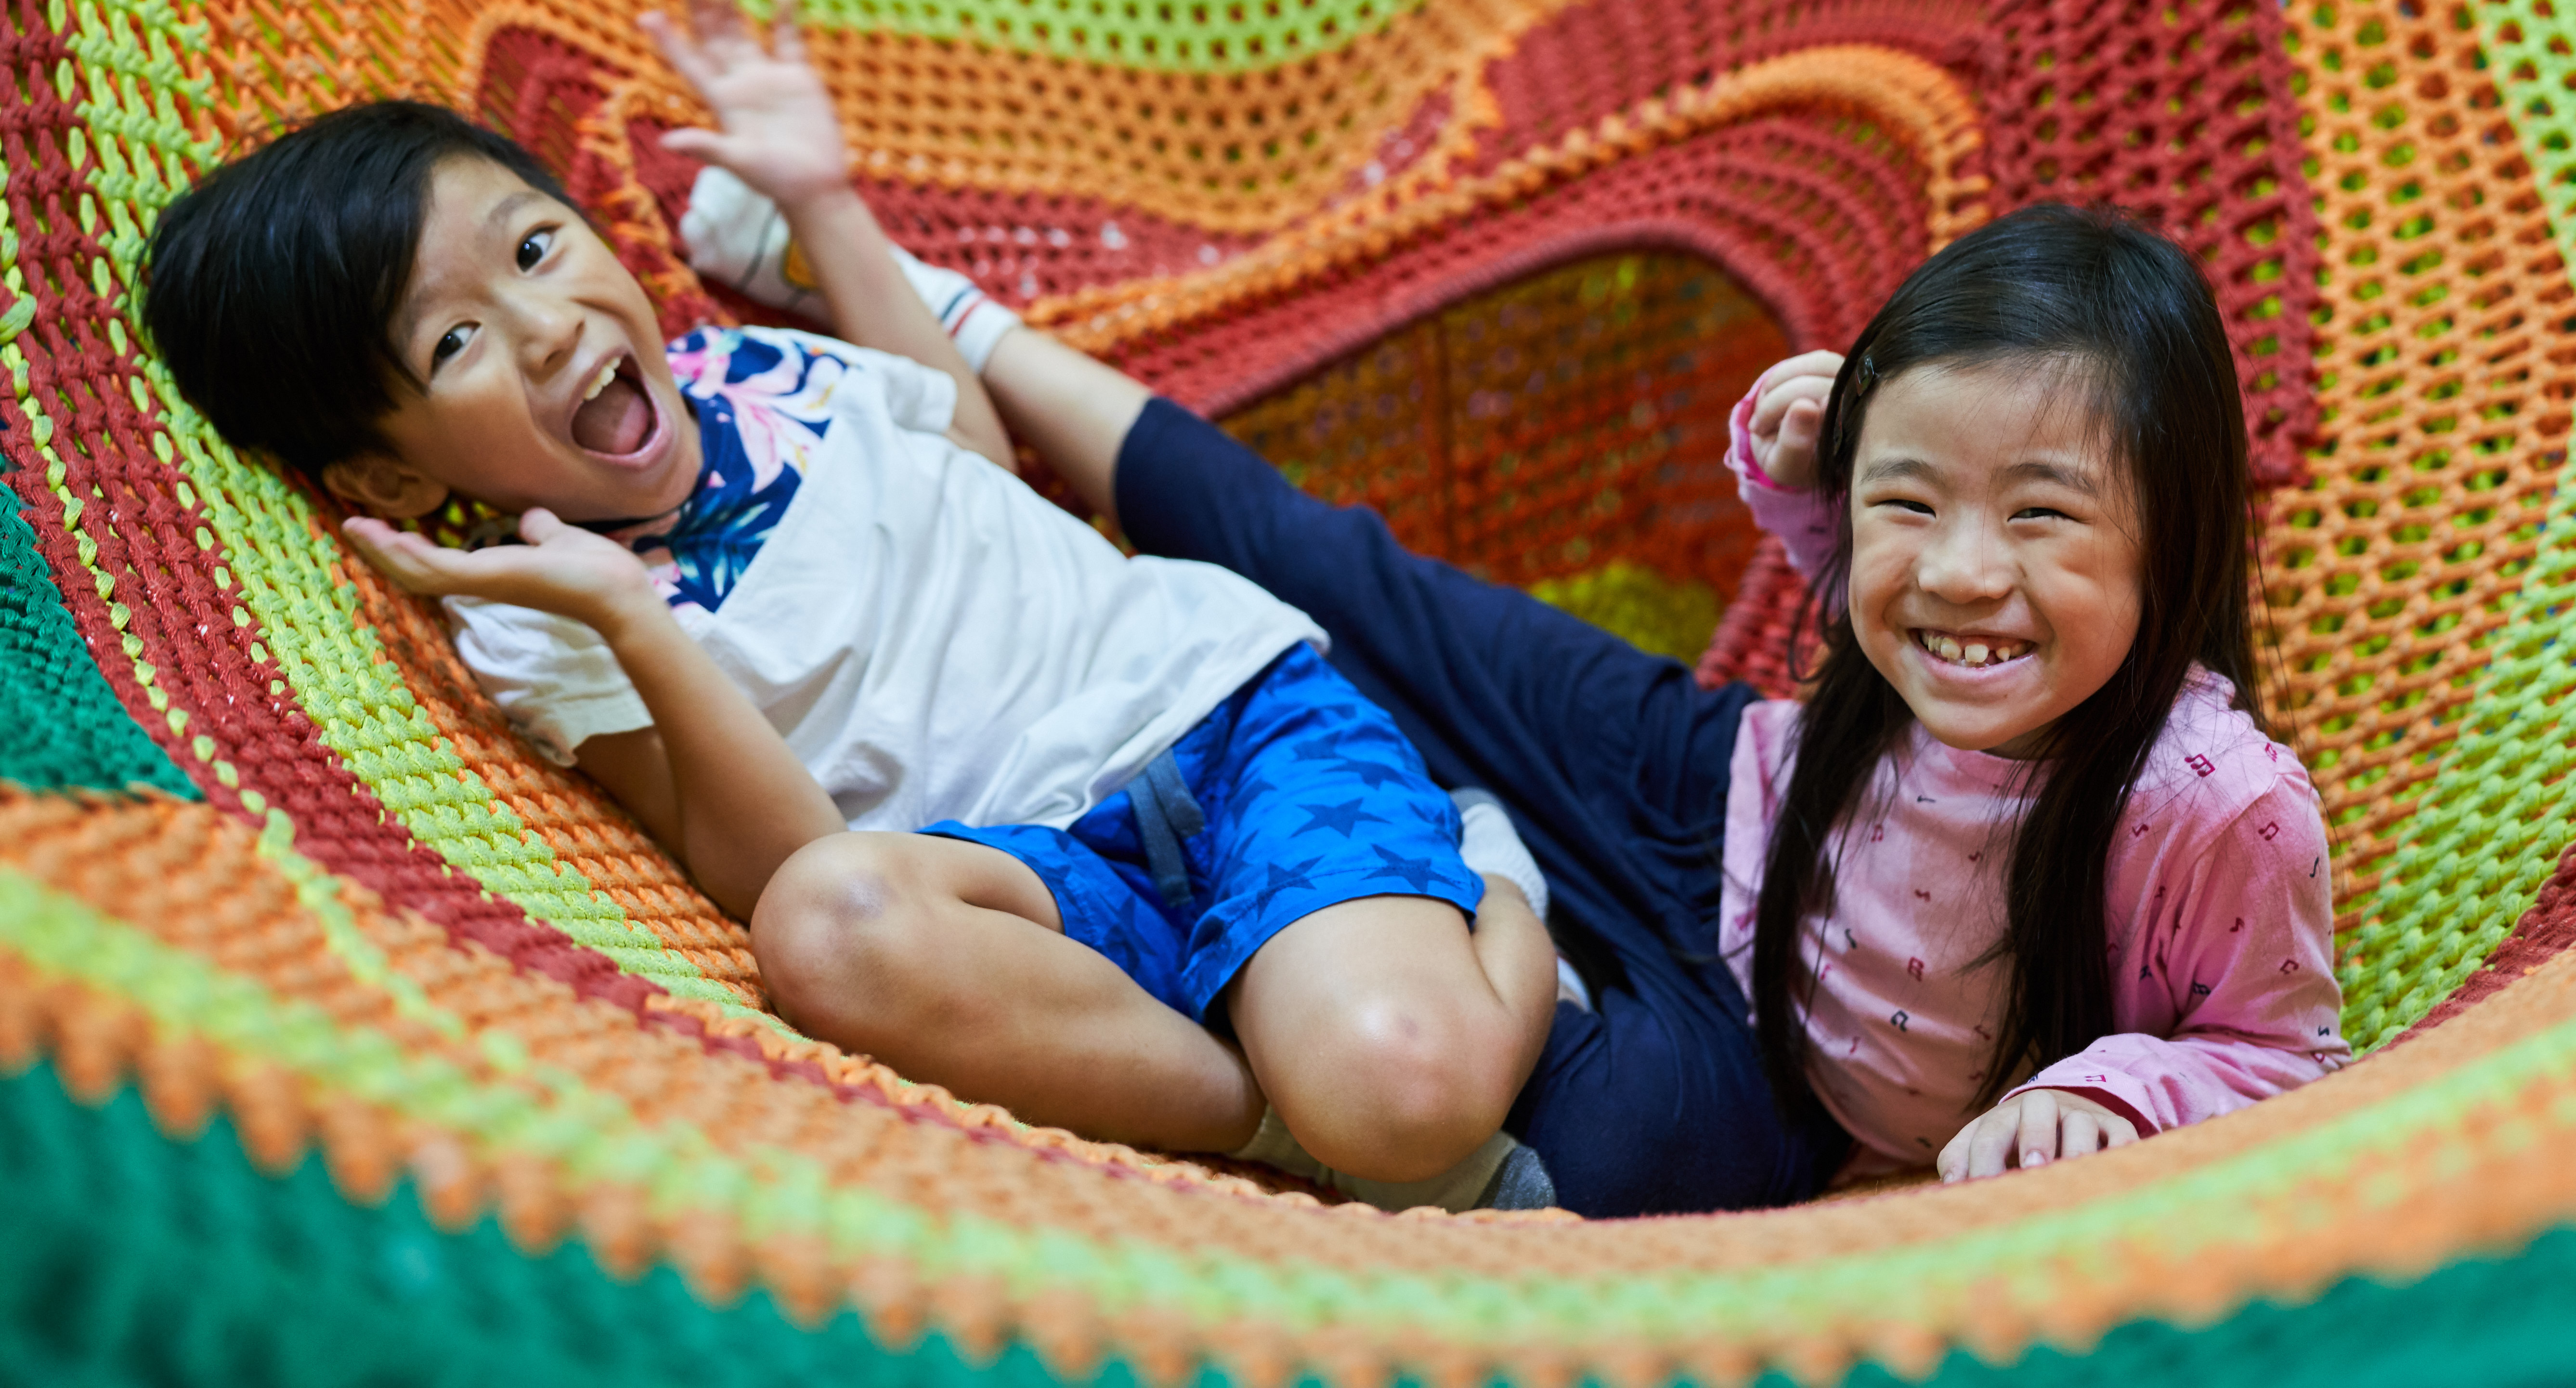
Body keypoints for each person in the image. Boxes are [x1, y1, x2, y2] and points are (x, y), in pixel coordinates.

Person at [134, 0, 1562, 1213]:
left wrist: (823, 202)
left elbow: (976, 458)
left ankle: (1491, 880)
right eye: (457, 339)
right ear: (383, 475)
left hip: (1228, 728)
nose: (550, 321)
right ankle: (1287, 1132)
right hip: (1044, 892)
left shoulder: (753, 368)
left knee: (1397, 1084)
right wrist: (632, 619)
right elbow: (774, 872)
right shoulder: (535, 615)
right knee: (823, 930)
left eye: (531, 247)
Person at [840, 196, 2352, 1215]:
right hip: (1710, 792)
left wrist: (2119, 1089)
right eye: (1915, 499)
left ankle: (1456, 896)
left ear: (2177, 531)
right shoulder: (1927, 596)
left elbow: (2285, 1054)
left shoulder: (2219, 807)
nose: (1963, 574)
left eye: (2042, 515)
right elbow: (1888, 605)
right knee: (1352, 587)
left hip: (1775, 1070)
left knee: (1594, 1171)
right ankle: (971, 327)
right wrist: (1822, 471)